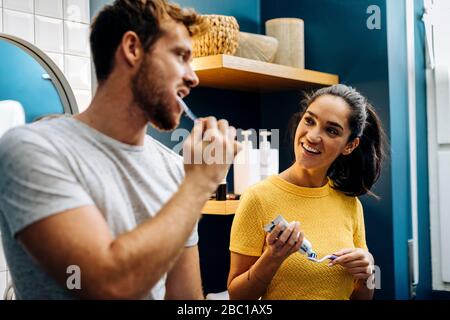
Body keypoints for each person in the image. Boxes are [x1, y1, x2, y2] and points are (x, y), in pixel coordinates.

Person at [0, 0, 239, 299]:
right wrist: (200, 183)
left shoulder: (176, 171)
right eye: (181, 56)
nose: (193, 77)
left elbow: (185, 300)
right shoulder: (30, 150)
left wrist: (192, 183)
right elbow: (108, 285)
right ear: (132, 48)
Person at [227, 84, 386, 300]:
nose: (312, 136)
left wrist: (368, 273)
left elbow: (361, 297)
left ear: (349, 145)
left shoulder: (350, 204)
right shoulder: (257, 198)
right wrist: (272, 258)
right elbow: (238, 298)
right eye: (309, 120)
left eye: (331, 130)